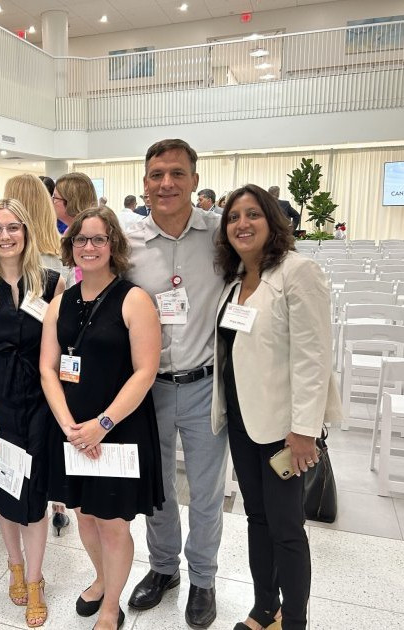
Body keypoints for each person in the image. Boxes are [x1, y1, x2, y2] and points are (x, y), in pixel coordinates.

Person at [212, 184, 342, 630]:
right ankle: (264, 607)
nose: (241, 224)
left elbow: (313, 356)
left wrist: (305, 429)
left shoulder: (297, 272)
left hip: (285, 430)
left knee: (286, 529)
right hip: (244, 424)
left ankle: (295, 621)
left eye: (252, 215)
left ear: (272, 220)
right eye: (233, 217)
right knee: (257, 519)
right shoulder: (234, 282)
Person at [41, 206, 163, 630]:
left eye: (98, 239)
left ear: (114, 246)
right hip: (73, 431)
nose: (88, 247)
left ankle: (112, 605)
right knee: (83, 514)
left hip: (119, 429)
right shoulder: (60, 303)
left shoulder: (134, 299)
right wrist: (68, 426)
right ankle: (99, 577)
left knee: (112, 523)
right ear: (70, 246)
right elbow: (47, 368)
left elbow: (146, 371)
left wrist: (102, 425)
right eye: (80, 240)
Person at [126, 139, 227, 630]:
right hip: (149, 387)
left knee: (206, 492)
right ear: (144, 181)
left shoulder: (221, 235)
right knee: (158, 487)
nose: (166, 183)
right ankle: (164, 568)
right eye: (156, 174)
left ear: (194, 178)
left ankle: (203, 578)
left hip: (206, 384)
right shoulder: (127, 242)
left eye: (177, 173)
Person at [0, 198, 65, 628]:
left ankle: (37, 578)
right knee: (4, 492)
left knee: (37, 494)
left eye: (13, 228)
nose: (5, 236)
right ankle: (14, 564)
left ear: (26, 231)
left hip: (41, 400)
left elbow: (61, 350)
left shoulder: (52, 281)